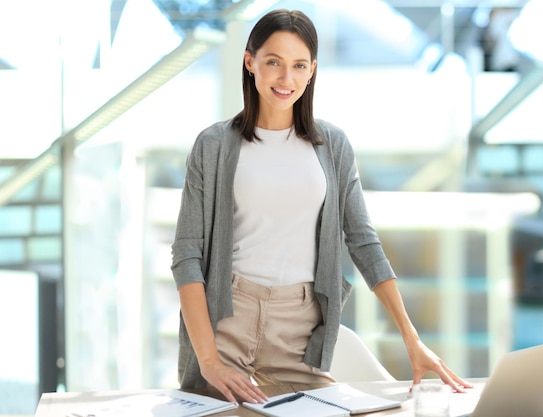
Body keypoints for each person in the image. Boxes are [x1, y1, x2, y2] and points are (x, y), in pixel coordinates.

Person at [170, 8, 472, 404]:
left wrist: (412, 339)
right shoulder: (213, 145)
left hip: (298, 330)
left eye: (298, 66)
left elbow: (363, 242)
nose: (286, 78)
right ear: (250, 62)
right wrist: (208, 361)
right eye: (273, 63)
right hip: (229, 321)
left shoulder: (333, 146)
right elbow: (187, 253)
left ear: (312, 70)